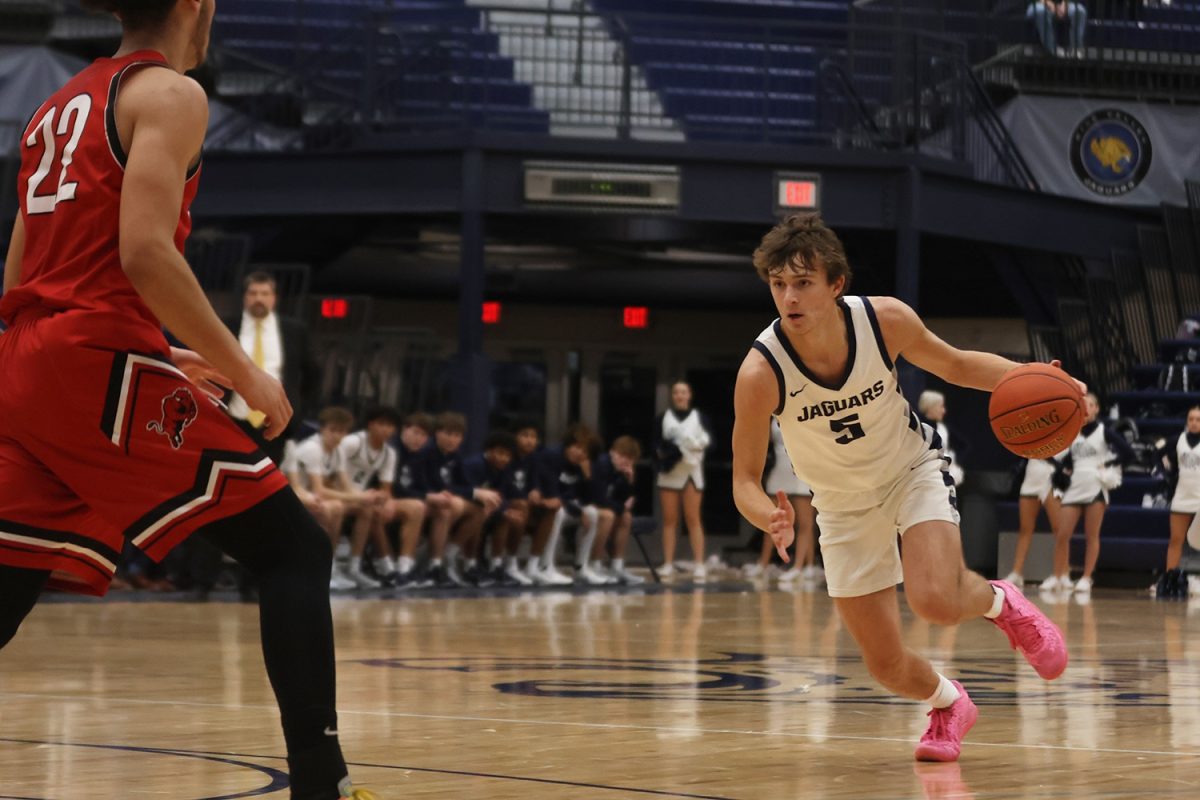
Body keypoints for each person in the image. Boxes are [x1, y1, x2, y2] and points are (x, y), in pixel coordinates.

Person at [0, 2, 374, 797]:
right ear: (193, 5)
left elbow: (25, 280)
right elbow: (142, 253)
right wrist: (244, 371)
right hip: (87, 363)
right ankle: (323, 782)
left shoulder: (53, 108)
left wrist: (160, 347)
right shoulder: (169, 94)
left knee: (5, 583)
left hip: (25, 361)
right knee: (294, 551)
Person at [732, 214, 1073, 762]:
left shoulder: (882, 320)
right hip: (840, 507)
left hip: (909, 470)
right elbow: (744, 480)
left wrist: (1043, 378)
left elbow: (959, 366)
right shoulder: (760, 372)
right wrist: (766, 516)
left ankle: (1001, 602)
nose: (788, 297)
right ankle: (948, 703)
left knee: (935, 599)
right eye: (778, 284)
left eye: (802, 283)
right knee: (885, 665)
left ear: (835, 284)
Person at [1044, 392, 1135, 595]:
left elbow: (1129, 453)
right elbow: (1068, 461)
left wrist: (1108, 464)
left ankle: (1086, 577)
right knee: (1062, 534)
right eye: (1083, 406)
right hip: (1075, 485)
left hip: (1095, 484)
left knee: (1091, 535)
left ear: (1096, 409)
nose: (1086, 409)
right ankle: (1059, 576)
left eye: (1091, 405)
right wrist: (1053, 463)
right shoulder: (1073, 432)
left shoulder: (1104, 431)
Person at [223, 271, 315, 465]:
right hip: (233, 417)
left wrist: (298, 411)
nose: (259, 298)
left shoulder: (294, 330)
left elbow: (313, 374)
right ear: (245, 297)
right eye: (253, 293)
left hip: (274, 421)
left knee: (268, 482)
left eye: (264, 294)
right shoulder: (227, 326)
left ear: (274, 298)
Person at [291, 407, 387, 590]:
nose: (337, 436)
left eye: (342, 432)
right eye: (332, 430)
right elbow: (319, 490)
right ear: (322, 429)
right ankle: (320, 567)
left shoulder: (338, 451)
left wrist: (363, 497)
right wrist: (357, 496)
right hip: (297, 496)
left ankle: (353, 567)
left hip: (314, 498)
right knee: (333, 507)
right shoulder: (312, 448)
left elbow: (345, 484)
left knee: (365, 508)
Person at [746, 417, 821, 585]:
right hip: (779, 468)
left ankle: (798, 567)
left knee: (805, 523)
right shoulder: (772, 415)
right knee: (772, 519)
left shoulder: (806, 411)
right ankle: (763, 563)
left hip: (801, 469)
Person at [338, 406, 403, 587]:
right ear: (370, 424)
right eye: (381, 424)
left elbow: (386, 487)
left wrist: (387, 502)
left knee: (375, 510)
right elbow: (333, 472)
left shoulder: (389, 453)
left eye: (390, 426)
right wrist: (360, 495)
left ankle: (357, 566)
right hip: (336, 493)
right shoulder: (352, 442)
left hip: (358, 498)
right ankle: (383, 566)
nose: (386, 429)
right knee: (367, 508)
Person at [655, 380, 711, 581]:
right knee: (670, 520)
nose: (680, 395)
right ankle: (668, 563)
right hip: (670, 473)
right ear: (672, 395)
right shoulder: (663, 418)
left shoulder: (699, 417)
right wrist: (669, 453)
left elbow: (706, 443)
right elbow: (656, 445)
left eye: (683, 392)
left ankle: (699, 564)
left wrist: (693, 447)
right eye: (676, 392)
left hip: (691, 472)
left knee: (693, 519)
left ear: (689, 395)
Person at [1156, 406, 1200, 598]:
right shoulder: (1178, 440)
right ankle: (1170, 581)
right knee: (1176, 540)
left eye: (1198, 419)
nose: (1194, 422)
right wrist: (1167, 473)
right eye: (1191, 419)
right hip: (1182, 495)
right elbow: (1157, 453)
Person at [589, 435, 645, 585]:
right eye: (622, 456)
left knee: (625, 516)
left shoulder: (620, 470)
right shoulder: (601, 464)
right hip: (586, 504)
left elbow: (626, 502)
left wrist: (629, 481)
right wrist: (620, 507)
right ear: (612, 452)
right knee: (609, 515)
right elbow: (599, 498)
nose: (625, 461)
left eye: (630, 458)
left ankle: (617, 566)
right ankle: (594, 565)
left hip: (602, 506)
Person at [1003, 458, 1062, 588]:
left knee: (1058, 529)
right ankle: (1017, 573)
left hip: (1052, 477)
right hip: (1032, 476)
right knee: (1025, 528)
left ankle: (1061, 574)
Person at [918, 390, 964, 488]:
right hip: (923, 478)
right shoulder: (918, 428)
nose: (944, 411)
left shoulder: (943, 428)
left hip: (943, 478)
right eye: (941, 406)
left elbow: (963, 446)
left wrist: (953, 459)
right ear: (930, 407)